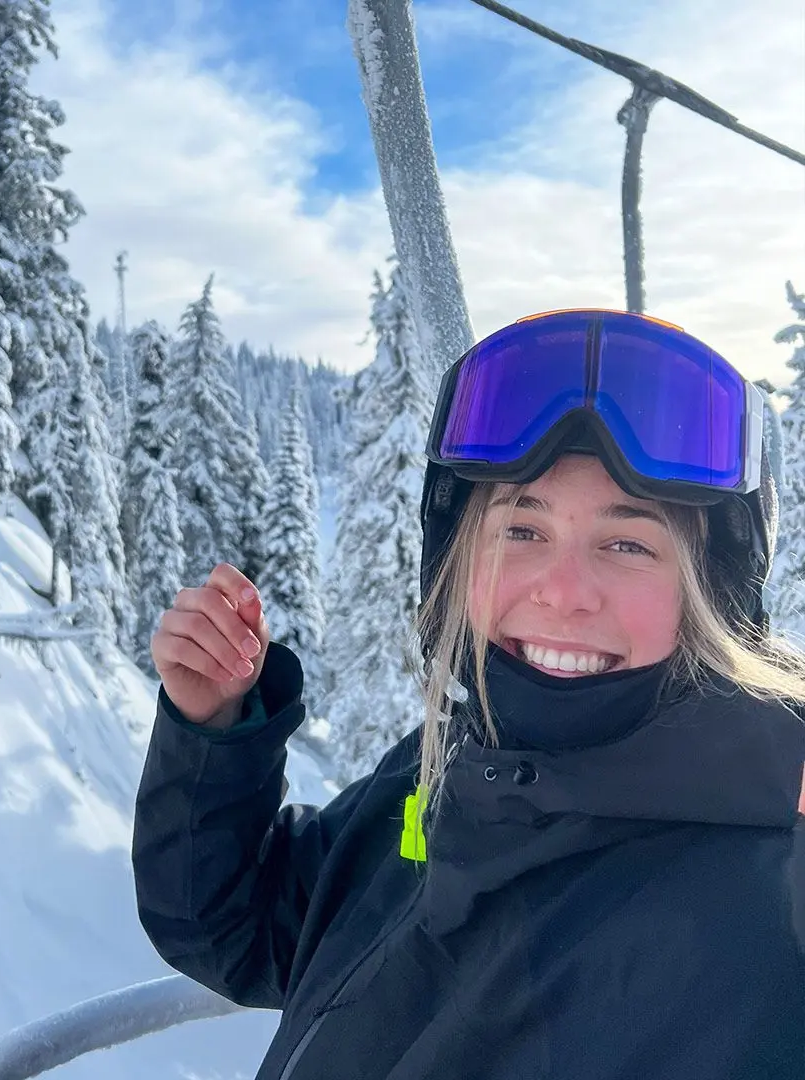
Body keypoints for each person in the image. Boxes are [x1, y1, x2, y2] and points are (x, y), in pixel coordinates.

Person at [132, 309, 805, 1080]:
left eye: (628, 544)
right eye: (523, 530)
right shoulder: (446, 768)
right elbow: (236, 931)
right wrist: (214, 732)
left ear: (709, 594)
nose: (563, 592)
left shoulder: (768, 882)